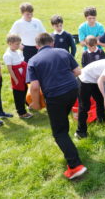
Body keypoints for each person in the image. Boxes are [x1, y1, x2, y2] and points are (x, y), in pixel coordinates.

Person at [26, 33, 86, 179]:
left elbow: (34, 87)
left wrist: (35, 104)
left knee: (59, 132)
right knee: (61, 120)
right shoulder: (63, 52)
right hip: (73, 91)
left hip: (55, 97)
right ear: (52, 42)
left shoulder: (33, 60)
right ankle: (68, 142)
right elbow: (78, 71)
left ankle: (75, 165)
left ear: (36, 46)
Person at [3, 34, 32, 119]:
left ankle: (28, 104)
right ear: (9, 43)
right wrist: (15, 79)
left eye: (19, 44)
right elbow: (10, 69)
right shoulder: (8, 55)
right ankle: (21, 112)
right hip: (17, 76)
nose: (18, 46)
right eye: (16, 44)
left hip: (23, 74)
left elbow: (22, 62)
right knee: (18, 94)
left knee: (25, 90)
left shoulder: (18, 52)